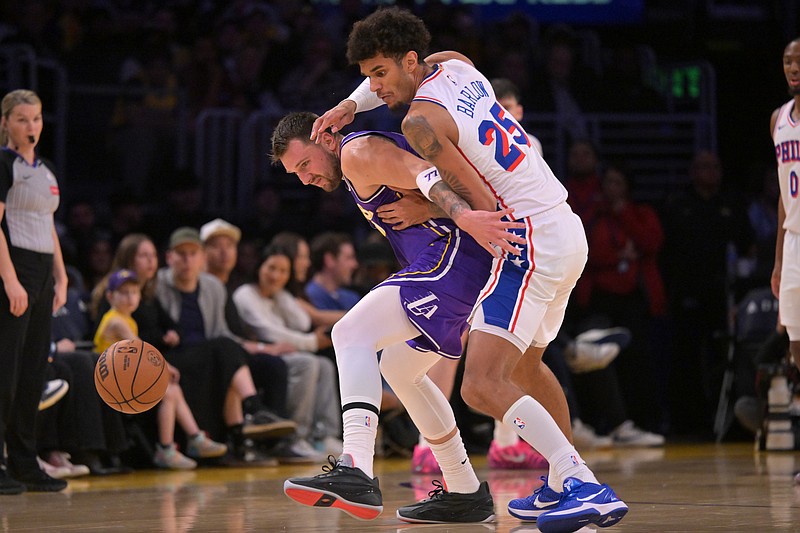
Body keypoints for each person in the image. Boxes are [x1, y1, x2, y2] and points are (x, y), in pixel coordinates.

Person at [312, 8, 628, 530]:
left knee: (480, 384)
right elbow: (405, 80)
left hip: (527, 239)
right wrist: (351, 104)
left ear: (411, 62)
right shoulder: (457, 65)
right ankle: (559, 480)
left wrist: (426, 206)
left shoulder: (419, 124)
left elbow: (481, 203)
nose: (376, 87)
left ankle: (583, 483)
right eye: (369, 76)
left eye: (382, 74)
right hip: (566, 226)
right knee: (526, 368)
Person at [273, 111, 496, 523]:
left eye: (305, 164)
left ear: (325, 137)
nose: (305, 178)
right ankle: (464, 489)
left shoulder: (357, 151)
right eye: (295, 174)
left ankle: (355, 465)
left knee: (349, 333)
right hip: (450, 263)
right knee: (399, 368)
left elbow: (425, 172)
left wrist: (450, 213)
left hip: (455, 258)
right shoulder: (354, 161)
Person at [156, 227, 297, 463]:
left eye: (193, 254)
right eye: (181, 254)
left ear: (202, 258)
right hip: (175, 358)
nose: (188, 260)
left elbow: (221, 332)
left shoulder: (213, 286)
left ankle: (253, 444)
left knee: (265, 363)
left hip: (210, 354)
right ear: (170, 257)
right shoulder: (158, 285)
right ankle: (253, 411)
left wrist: (257, 348)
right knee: (227, 352)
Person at [0, 89, 68, 494]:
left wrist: (61, 278)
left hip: (43, 273)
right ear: (6, 122)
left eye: (37, 118)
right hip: (14, 270)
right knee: (5, 373)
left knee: (31, 373)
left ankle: (25, 462)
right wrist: (10, 281)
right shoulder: (2, 163)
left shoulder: (47, 170)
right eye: (22, 119)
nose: (31, 127)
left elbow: (49, 228)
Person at [94, 268, 228, 470]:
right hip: (111, 383)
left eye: (134, 292)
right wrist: (166, 366)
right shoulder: (116, 321)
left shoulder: (128, 319)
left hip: (124, 379)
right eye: (124, 293)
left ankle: (193, 439)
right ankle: (169, 447)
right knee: (168, 390)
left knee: (173, 390)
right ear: (110, 296)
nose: (130, 298)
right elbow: (140, 350)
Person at [232, 244, 342, 460]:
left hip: (283, 352)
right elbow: (268, 330)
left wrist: (282, 295)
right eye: (271, 268)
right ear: (259, 267)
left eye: (283, 271)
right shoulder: (245, 294)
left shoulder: (278, 297)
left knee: (325, 365)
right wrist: (311, 342)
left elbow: (301, 322)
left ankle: (324, 435)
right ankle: (296, 437)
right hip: (259, 354)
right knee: (308, 363)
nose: (276, 276)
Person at [771, 38, 800, 401]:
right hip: (793, 239)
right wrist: (778, 260)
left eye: (799, 61)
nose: (794, 67)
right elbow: (782, 192)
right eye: (788, 60)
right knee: (795, 342)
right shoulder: (778, 119)